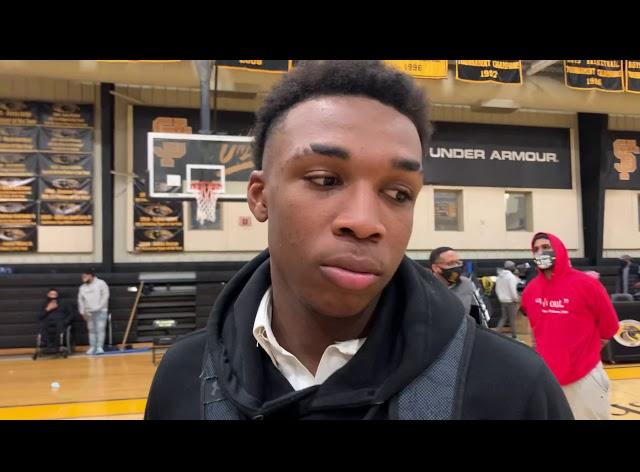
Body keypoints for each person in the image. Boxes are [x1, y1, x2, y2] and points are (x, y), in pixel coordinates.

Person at [145, 60, 572, 420]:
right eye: (324, 179)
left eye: (397, 193)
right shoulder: (182, 379)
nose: (365, 222)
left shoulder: (513, 388)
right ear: (260, 196)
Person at [521, 232, 619, 420]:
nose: (541, 252)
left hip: (585, 375)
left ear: (560, 250)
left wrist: (585, 351)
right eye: (536, 249)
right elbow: (536, 329)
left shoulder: (587, 284)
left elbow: (609, 326)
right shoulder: (531, 290)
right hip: (547, 377)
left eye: (546, 247)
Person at [429, 246, 477, 315]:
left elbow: (474, 312)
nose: (456, 267)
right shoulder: (424, 287)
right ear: (436, 268)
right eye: (450, 263)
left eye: (458, 263)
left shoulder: (466, 283)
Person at [78, 269, 110, 355]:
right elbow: (81, 300)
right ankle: (92, 346)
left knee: (100, 329)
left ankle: (99, 347)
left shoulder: (101, 283)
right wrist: (82, 312)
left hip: (101, 311)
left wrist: (98, 307)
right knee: (91, 330)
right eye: (82, 277)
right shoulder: (82, 287)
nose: (83, 278)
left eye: (85, 276)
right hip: (88, 312)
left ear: (90, 275)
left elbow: (105, 296)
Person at [495, 260, 521, 339]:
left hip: (502, 300)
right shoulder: (511, 277)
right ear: (511, 267)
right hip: (511, 301)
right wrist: (516, 299)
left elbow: (497, 289)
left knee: (504, 318)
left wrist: (501, 297)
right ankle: (514, 336)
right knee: (512, 320)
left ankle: (496, 334)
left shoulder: (499, 276)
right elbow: (512, 290)